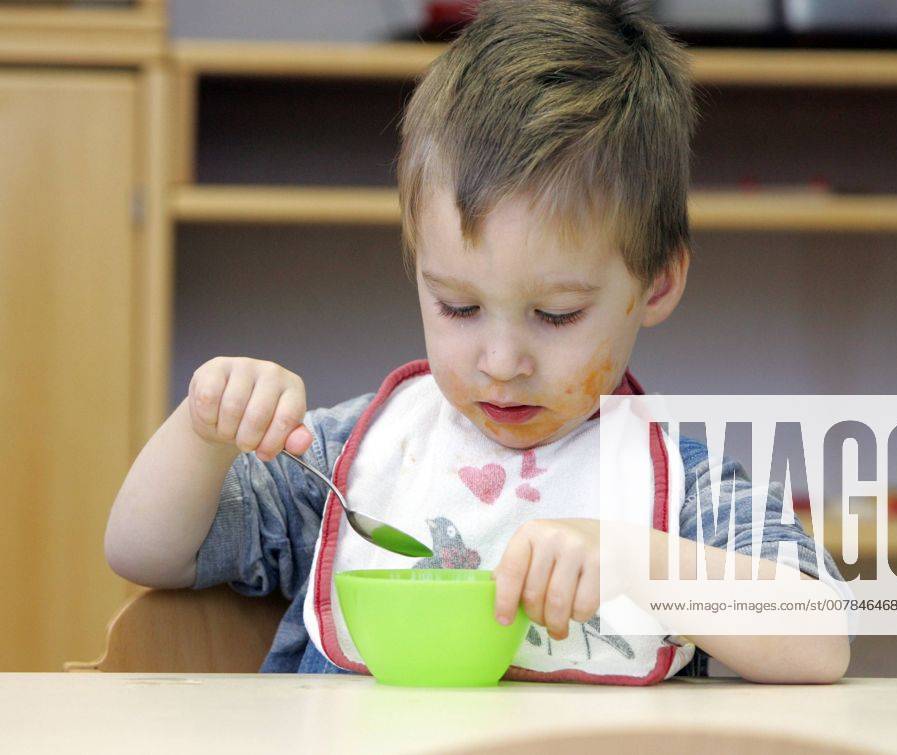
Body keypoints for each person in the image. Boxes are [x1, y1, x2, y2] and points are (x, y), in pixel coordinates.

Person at [105, 0, 850, 683]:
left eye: (556, 315)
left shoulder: (679, 491)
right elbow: (143, 551)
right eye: (458, 306)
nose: (501, 362)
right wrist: (204, 430)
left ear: (655, 284)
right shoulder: (347, 456)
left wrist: (634, 559)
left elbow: (822, 638)